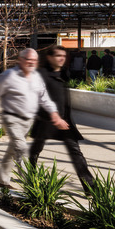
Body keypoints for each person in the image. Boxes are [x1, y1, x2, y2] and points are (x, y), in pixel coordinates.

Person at [0, 48, 68, 189]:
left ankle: (2, 182)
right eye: (28, 59)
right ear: (20, 60)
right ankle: (31, 187)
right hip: (12, 119)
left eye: (34, 60)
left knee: (12, 151)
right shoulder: (9, 75)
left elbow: (44, 99)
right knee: (22, 149)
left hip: (28, 121)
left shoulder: (37, 77)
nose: (31, 62)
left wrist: (55, 115)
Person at [29, 46, 94, 189]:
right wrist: (53, 118)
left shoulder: (64, 73)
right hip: (46, 120)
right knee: (36, 149)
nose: (62, 58)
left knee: (75, 152)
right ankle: (31, 176)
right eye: (58, 55)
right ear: (49, 57)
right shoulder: (40, 74)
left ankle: (90, 187)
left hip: (65, 120)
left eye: (64, 56)